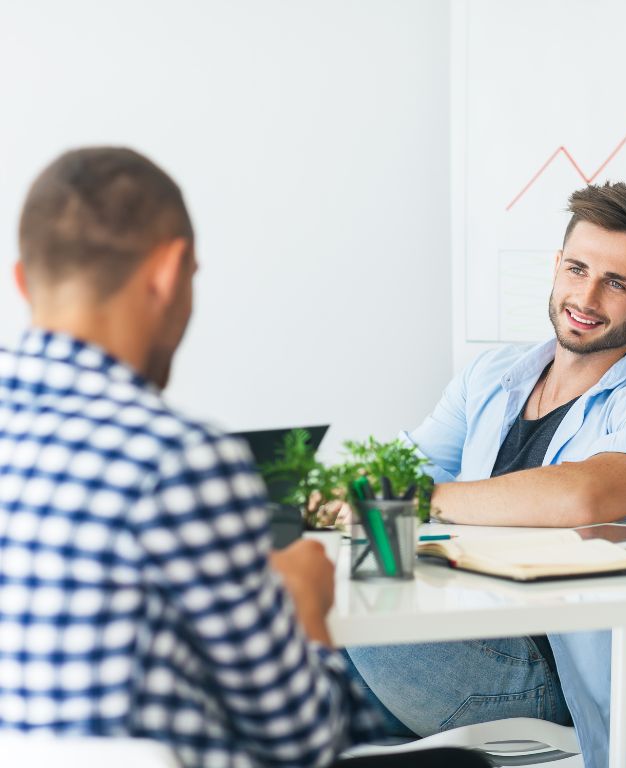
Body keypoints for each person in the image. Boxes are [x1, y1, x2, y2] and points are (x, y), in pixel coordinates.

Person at [0, 147, 488, 768]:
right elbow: (302, 741)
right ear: (169, 273)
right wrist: (304, 614)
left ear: (21, 280)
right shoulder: (179, 462)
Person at [345, 181, 626, 767]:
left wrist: (419, 499)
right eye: (576, 269)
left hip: (543, 680)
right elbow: (399, 465)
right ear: (556, 267)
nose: (585, 297)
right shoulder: (493, 374)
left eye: (616, 283)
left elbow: (585, 495)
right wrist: (343, 492)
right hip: (447, 640)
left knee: (359, 612)